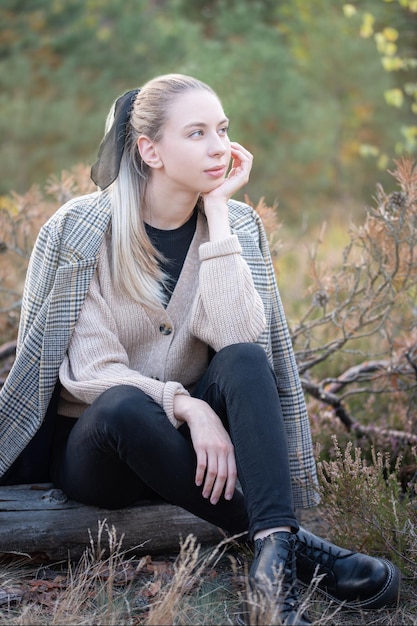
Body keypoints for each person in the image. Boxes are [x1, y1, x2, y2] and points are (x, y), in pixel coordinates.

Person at [0, 74, 400, 624]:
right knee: (122, 404)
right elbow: (90, 372)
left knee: (245, 361)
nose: (219, 146)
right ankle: (307, 554)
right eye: (196, 133)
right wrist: (186, 404)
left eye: (223, 129)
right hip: (101, 449)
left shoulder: (236, 224)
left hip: (188, 448)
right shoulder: (79, 229)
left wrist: (216, 218)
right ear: (150, 150)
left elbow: (239, 336)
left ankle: (273, 575)